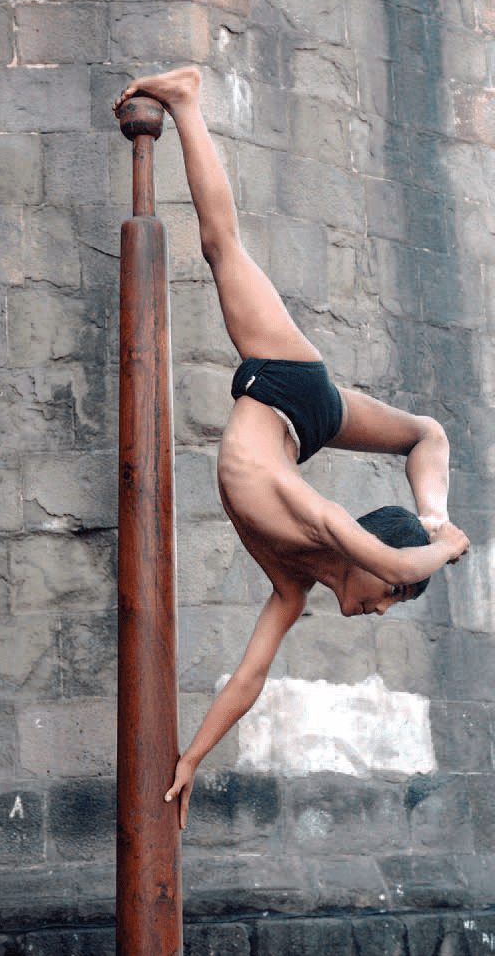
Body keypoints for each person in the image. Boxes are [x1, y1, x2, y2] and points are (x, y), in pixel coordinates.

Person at [114, 67, 469, 829]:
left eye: (386, 603)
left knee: (427, 434)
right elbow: (401, 565)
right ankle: (187, 98)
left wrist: (192, 759)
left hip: (296, 425)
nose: (378, 609)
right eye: (386, 600)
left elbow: (249, 678)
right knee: (220, 246)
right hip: (288, 380)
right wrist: (445, 548)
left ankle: (433, 508)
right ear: (371, 560)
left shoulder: (294, 583)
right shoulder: (325, 521)